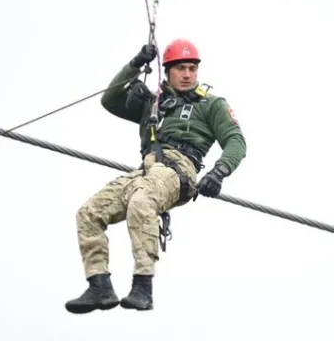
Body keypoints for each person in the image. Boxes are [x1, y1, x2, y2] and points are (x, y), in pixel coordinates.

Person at [64, 39, 247, 313]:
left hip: (179, 170)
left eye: (192, 69)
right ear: (167, 71)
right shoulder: (154, 105)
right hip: (146, 170)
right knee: (89, 212)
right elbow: (109, 100)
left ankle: (143, 286)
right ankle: (99, 286)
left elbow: (236, 141)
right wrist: (136, 64)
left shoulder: (210, 104)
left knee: (142, 202)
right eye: (181, 69)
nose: (187, 75)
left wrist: (219, 172)